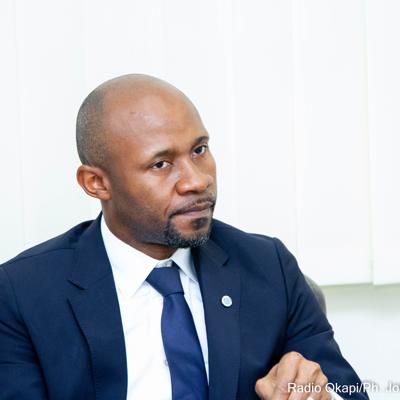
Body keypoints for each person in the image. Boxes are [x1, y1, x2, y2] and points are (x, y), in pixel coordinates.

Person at [0, 74, 368, 400]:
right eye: (160, 164)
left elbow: (348, 392)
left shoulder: (268, 267)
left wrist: (319, 395)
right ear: (96, 183)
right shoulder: (22, 293)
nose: (197, 180)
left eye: (199, 150)